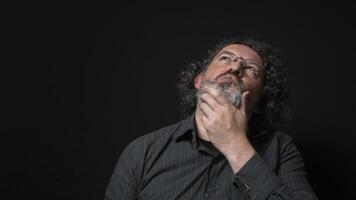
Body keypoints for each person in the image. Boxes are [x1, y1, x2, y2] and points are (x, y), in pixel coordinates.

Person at [104, 36, 319, 199]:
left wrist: (236, 146)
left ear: (262, 100)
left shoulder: (281, 149)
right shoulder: (142, 151)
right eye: (225, 58)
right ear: (198, 80)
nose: (235, 67)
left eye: (250, 68)